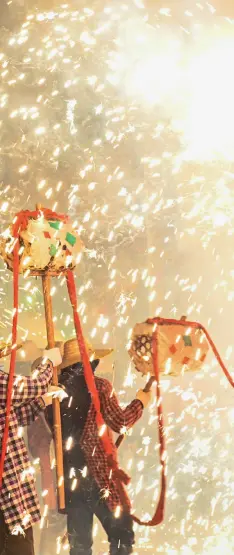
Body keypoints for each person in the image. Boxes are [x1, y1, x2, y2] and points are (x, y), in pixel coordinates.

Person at [46, 338, 152, 555]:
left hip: (70, 476)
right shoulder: (100, 386)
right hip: (98, 474)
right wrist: (140, 402)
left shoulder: (53, 395)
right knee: (123, 536)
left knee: (80, 544)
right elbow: (121, 422)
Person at [0, 341, 63, 555]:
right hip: (5, 495)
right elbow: (32, 386)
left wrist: (43, 401)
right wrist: (49, 363)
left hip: (10, 492)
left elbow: (11, 418)